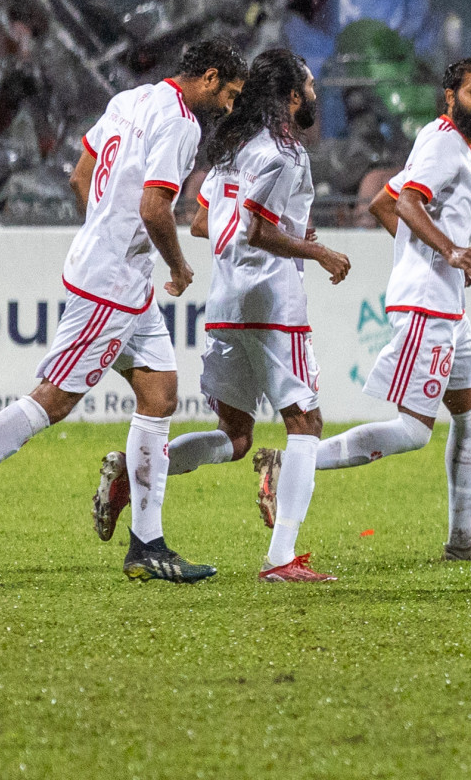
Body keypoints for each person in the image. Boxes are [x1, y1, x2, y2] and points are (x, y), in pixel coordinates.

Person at [0, 41, 247, 582]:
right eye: (228, 93)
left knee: (159, 393)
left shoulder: (131, 99)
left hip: (118, 278)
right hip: (111, 286)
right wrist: (177, 268)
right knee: (53, 401)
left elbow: (80, 177)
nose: (228, 105)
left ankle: (147, 544)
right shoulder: (183, 126)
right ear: (208, 78)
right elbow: (155, 207)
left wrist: (104, 235)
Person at [90, 49, 352, 583]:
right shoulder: (287, 153)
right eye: (310, 86)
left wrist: (287, 235)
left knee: (235, 436)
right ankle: (281, 560)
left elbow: (204, 225)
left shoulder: (231, 149)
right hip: (275, 306)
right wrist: (316, 251)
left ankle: (131, 475)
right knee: (306, 425)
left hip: (227, 305)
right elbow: (257, 230)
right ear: (292, 96)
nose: (316, 96)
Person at [256, 58, 471, 561]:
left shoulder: (439, 139)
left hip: (445, 305)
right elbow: (407, 205)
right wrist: (449, 253)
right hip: (428, 307)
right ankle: (290, 465)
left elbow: (382, 203)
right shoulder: (445, 145)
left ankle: (462, 539)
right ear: (449, 96)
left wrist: (431, 257)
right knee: (413, 430)